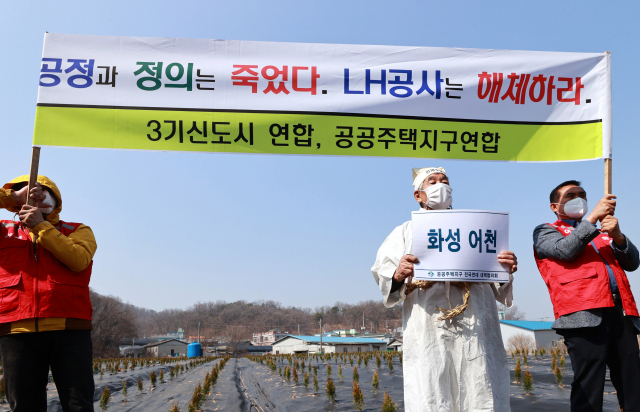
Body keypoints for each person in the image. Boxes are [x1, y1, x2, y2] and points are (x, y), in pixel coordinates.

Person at [371, 167, 517, 412]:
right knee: (432, 385)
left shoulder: (477, 229)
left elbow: (500, 289)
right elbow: (384, 273)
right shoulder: (405, 232)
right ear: (419, 195)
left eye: (445, 181)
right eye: (433, 181)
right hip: (428, 322)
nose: (441, 186)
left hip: (476, 323)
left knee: (479, 383)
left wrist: (505, 270)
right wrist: (398, 273)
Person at [533, 180, 640, 412]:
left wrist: (618, 236)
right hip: (583, 315)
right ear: (554, 206)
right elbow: (565, 251)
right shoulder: (546, 231)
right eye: (570, 195)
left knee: (633, 382)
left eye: (582, 194)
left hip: (619, 312)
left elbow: (632, 262)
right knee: (589, 384)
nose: (578, 198)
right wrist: (592, 219)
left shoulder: (604, 232)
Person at [0, 175, 97, 412]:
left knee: (79, 405)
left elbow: (78, 260)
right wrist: (10, 197)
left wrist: (40, 226)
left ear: (56, 200)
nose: (37, 194)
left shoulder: (78, 230)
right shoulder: (4, 231)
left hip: (70, 330)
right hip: (16, 330)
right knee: (24, 406)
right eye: (29, 191)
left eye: (45, 192)